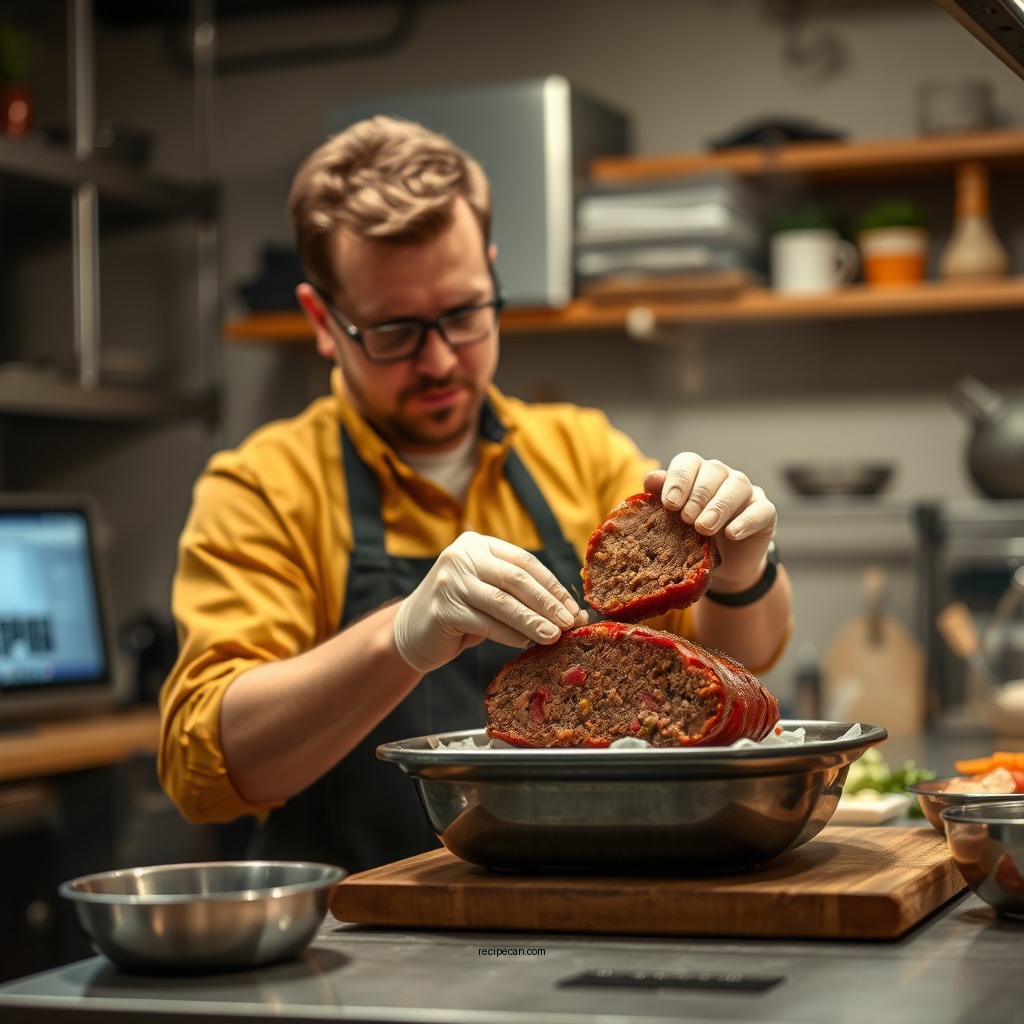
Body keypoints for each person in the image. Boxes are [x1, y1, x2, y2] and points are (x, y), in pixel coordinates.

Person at [158, 115, 793, 871]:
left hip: (587, 897)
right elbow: (208, 771)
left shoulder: (581, 452)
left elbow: (734, 666)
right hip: (361, 924)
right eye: (394, 329)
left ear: (492, 277)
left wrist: (741, 571)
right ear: (324, 322)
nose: (438, 360)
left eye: (463, 314)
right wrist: (400, 637)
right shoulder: (261, 489)